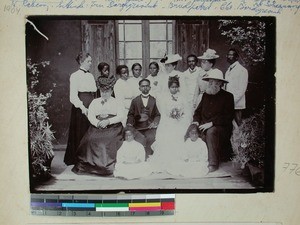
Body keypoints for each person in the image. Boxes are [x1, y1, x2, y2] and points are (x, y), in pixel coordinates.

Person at [71, 77, 124, 176]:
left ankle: (107, 167)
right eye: (102, 91)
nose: (104, 94)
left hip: (113, 126)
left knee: (107, 140)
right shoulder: (95, 102)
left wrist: (108, 121)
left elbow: (121, 116)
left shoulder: (117, 102)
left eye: (107, 91)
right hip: (98, 126)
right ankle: (91, 166)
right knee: (89, 139)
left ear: (111, 91)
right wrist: (97, 123)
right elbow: (91, 115)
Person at [192, 69, 234, 173]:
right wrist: (196, 121)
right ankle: (191, 160)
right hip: (204, 125)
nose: (211, 84)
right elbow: (197, 112)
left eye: (214, 82)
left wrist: (211, 123)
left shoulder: (228, 96)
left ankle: (213, 163)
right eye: (210, 82)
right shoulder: (205, 95)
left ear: (220, 83)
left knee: (211, 132)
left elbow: (228, 117)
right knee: (191, 129)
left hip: (221, 128)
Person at [64, 52, 97, 166]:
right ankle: (80, 159)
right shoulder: (75, 75)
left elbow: (93, 91)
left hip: (91, 103)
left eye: (91, 61)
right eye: (88, 61)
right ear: (81, 62)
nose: (90, 63)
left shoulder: (90, 75)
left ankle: (91, 158)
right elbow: (73, 96)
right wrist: (83, 107)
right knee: (81, 132)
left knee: (91, 132)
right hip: (80, 106)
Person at [149, 75, 191, 166]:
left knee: (180, 132)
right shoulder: (165, 99)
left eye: (176, 87)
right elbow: (164, 113)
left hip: (180, 121)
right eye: (172, 87)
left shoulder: (183, 98)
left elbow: (186, 111)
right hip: (168, 121)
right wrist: (171, 116)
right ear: (169, 88)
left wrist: (180, 116)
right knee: (167, 134)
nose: (174, 89)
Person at [126, 78, 161, 159]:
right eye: (143, 86)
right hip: (137, 127)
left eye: (147, 86)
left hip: (150, 127)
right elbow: (130, 114)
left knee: (151, 138)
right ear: (139, 88)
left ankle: (149, 158)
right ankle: (140, 158)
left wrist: (155, 123)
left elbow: (157, 114)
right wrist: (129, 123)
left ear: (150, 88)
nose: (145, 88)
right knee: (139, 140)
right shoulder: (135, 101)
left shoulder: (154, 100)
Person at [224, 48, 248, 127]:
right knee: (229, 124)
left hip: (237, 104)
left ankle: (239, 139)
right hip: (228, 103)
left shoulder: (242, 70)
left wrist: (232, 100)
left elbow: (242, 89)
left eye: (231, 55)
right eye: (228, 55)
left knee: (238, 124)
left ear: (237, 57)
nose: (229, 56)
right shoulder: (228, 71)